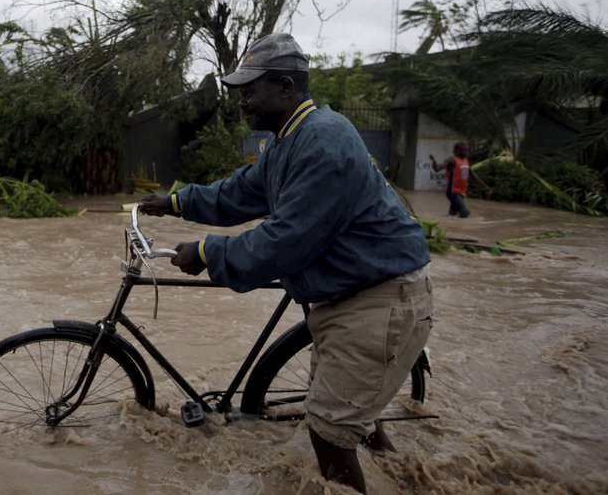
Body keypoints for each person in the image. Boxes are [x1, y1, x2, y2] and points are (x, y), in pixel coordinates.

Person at [138, 33, 433, 494]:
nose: (242, 102)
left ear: (287, 87)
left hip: (377, 301)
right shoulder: (286, 140)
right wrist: (175, 202)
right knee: (347, 414)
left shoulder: (323, 143)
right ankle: (401, 476)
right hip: (348, 296)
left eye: (250, 90)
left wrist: (207, 252)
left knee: (329, 434)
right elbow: (239, 193)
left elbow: (285, 242)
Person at [429, 143, 491, 218]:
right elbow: (437, 169)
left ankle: (449, 225)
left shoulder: (465, 161)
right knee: (464, 212)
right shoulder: (451, 160)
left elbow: (474, 175)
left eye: (467, 150)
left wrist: (485, 186)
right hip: (453, 191)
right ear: (457, 150)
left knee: (452, 214)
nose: (467, 152)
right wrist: (434, 161)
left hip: (462, 192)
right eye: (465, 151)